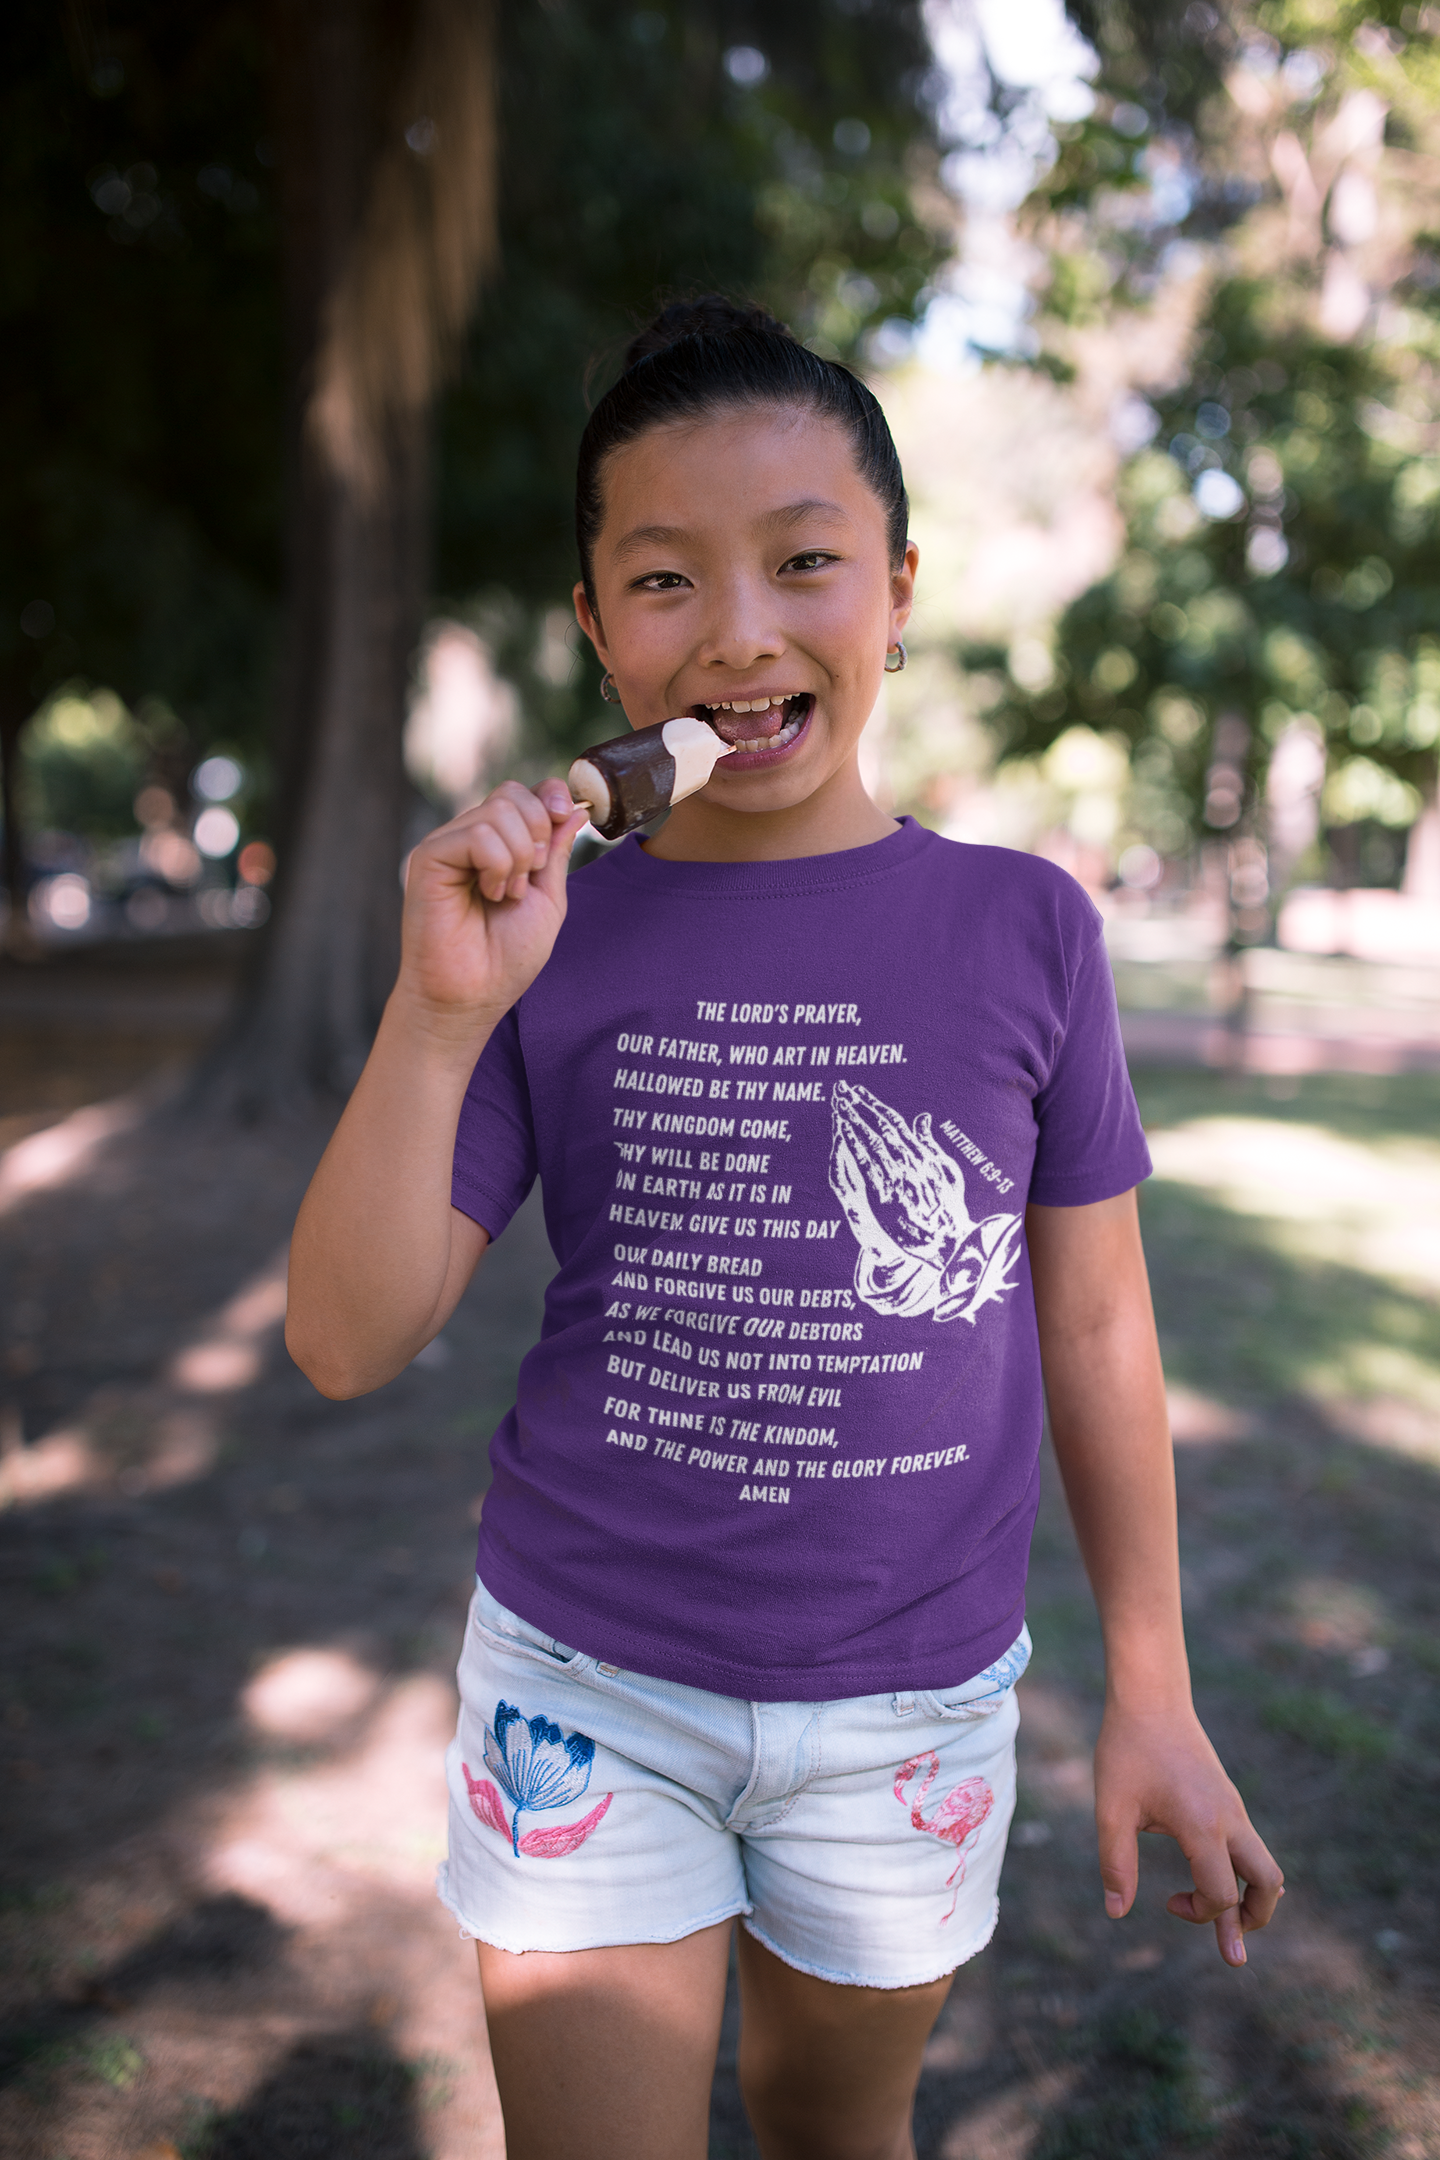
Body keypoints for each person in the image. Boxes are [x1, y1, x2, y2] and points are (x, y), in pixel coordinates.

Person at [285, 296, 1283, 2160]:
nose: (738, 631)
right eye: (665, 581)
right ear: (597, 629)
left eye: (805, 562)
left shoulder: (1026, 928)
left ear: (896, 591)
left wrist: (1151, 1689)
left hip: (908, 1706)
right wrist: (440, 1018)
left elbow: (1093, 1333)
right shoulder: (546, 932)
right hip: (588, 1692)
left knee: (839, 2135)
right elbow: (344, 1338)